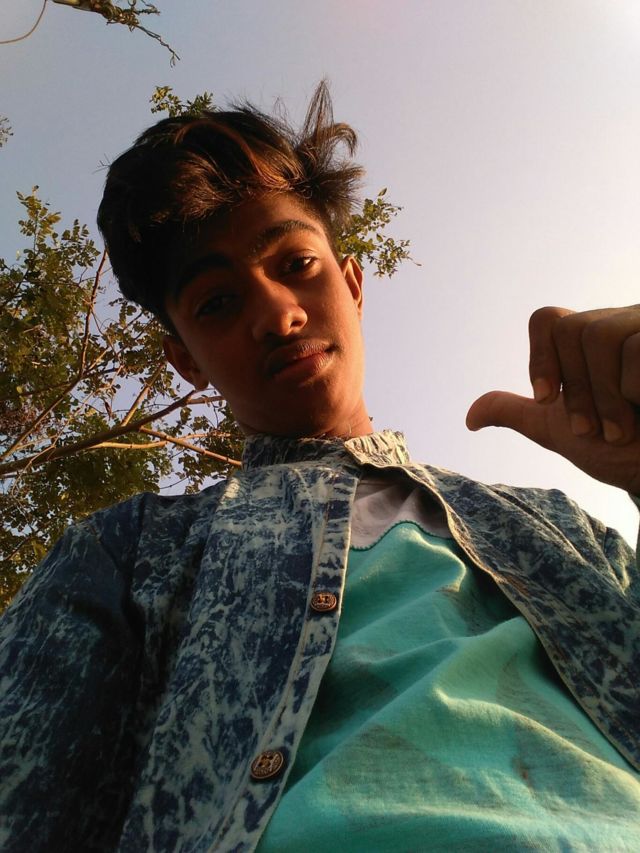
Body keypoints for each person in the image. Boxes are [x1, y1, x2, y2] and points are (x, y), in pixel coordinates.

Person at [1, 82, 639, 852]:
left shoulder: (555, 526)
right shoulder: (127, 552)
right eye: (217, 302)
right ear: (185, 361)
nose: (278, 314)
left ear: (353, 282)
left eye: (297, 262)